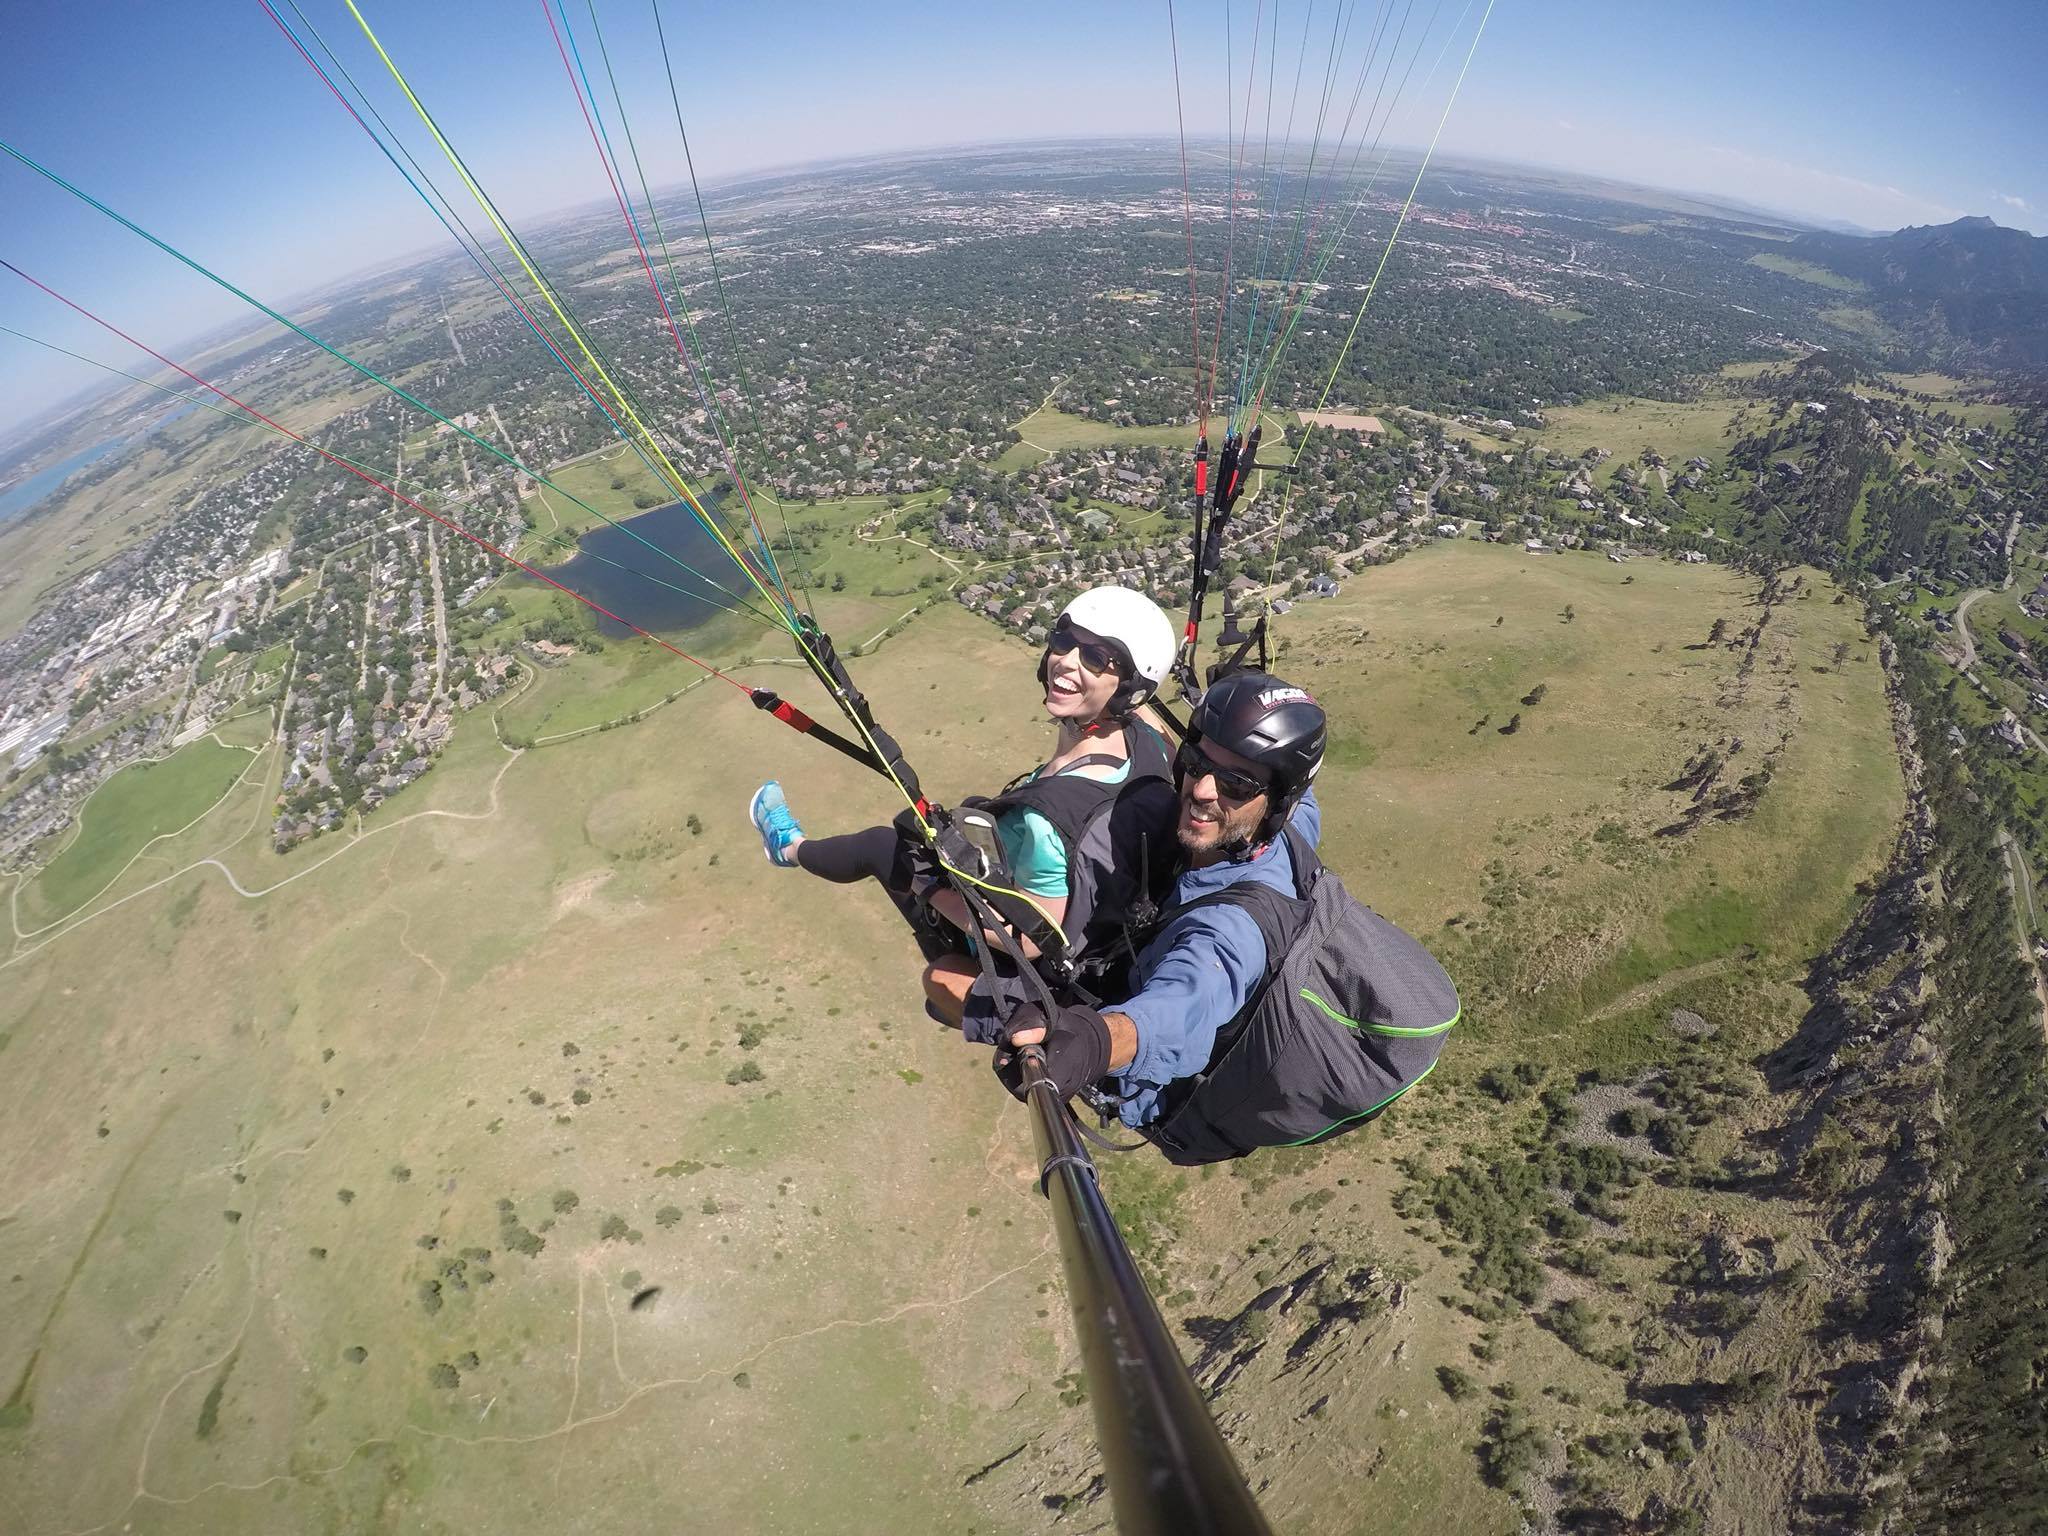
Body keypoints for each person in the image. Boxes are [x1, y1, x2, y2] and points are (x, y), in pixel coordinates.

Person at [748, 586, 1178, 1021]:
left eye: (1097, 658)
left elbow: (1032, 940)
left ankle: (787, 846)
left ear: (1128, 688)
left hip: (1036, 954)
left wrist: (928, 886)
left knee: (884, 847)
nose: (1065, 661)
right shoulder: (1151, 738)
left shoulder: (1046, 821)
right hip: (1108, 916)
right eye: (1065, 641)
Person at [998, 670, 1331, 1130]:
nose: (1201, 789)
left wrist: (1096, 1041)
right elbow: (1304, 790)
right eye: (1196, 760)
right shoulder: (1291, 824)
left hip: (1140, 1063)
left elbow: (1179, 1009)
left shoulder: (1230, 931)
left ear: (1277, 802)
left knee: (947, 979)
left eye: (1236, 784)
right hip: (1142, 944)